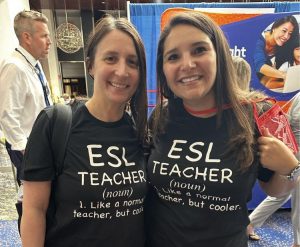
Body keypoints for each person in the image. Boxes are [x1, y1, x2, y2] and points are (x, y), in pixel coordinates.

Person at [145, 11, 300, 247]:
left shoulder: (257, 112)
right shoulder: (161, 116)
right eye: (173, 56)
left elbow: (274, 188)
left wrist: (288, 170)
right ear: (163, 68)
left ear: (219, 56)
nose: (187, 64)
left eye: (199, 50)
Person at [21, 16, 148, 246]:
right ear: (91, 65)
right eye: (111, 58)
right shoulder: (55, 123)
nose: (122, 70)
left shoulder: (140, 133)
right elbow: (34, 210)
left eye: (132, 62)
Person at [0, 10, 52, 185]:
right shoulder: (14, 67)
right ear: (27, 37)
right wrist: (26, 151)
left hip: (42, 145)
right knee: (32, 199)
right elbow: (7, 114)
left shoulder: (34, 65)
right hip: (29, 148)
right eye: (44, 36)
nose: (49, 42)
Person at [247, 91, 300, 247]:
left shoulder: (297, 96)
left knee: (282, 195)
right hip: (294, 152)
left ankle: (250, 223)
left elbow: (287, 120)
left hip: (290, 149)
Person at [253, 15, 299, 89]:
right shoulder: (258, 40)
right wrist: (284, 75)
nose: (286, 36)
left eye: (290, 33)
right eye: (284, 31)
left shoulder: (282, 45)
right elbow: (259, 65)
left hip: (259, 81)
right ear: (274, 28)